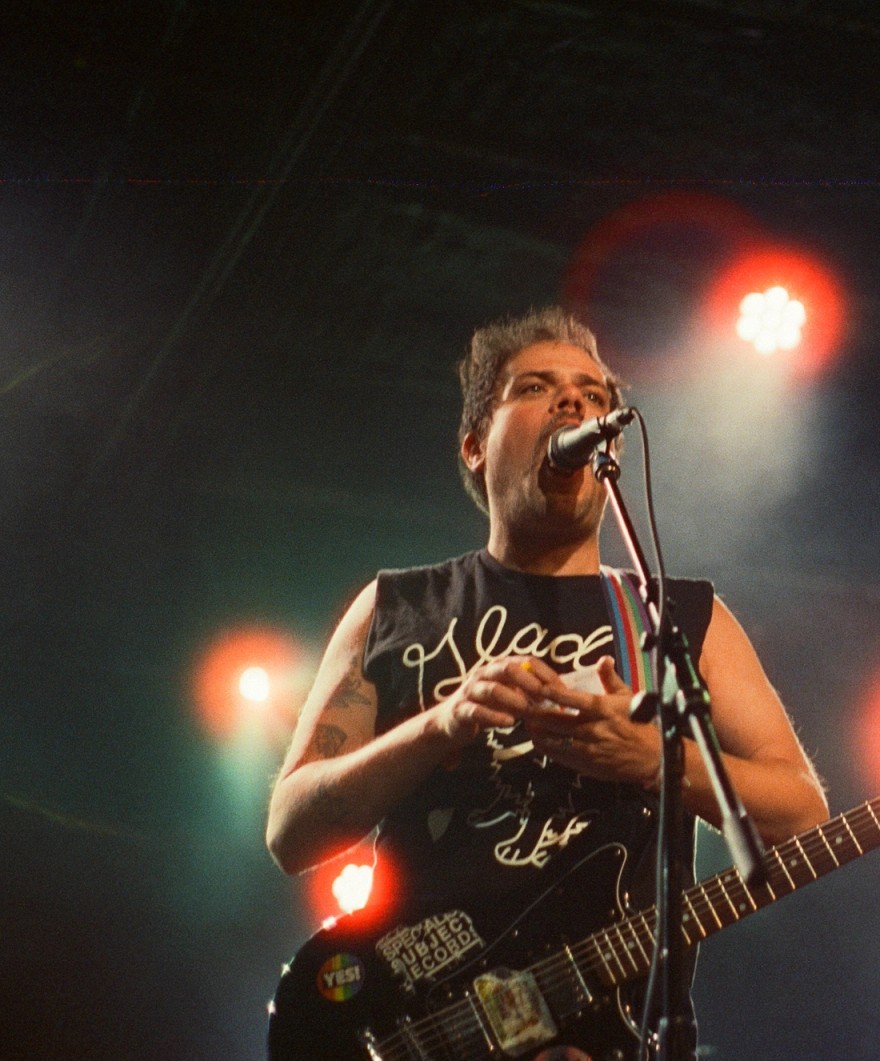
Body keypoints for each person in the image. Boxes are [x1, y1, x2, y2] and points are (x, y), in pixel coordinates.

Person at [264, 306, 829, 1056]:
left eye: (594, 395)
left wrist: (653, 762)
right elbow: (291, 830)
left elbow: (801, 811)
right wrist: (440, 724)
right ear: (473, 444)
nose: (574, 403)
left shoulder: (679, 615)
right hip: (417, 1017)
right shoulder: (397, 607)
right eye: (536, 386)